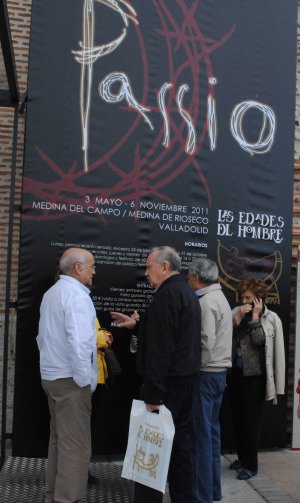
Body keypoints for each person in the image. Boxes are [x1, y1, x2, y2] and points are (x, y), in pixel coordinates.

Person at [111, 246, 202, 503]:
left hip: (167, 388)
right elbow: (175, 335)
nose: (146, 273)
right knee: (181, 450)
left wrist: (152, 394)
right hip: (185, 384)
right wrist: (138, 325)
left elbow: (162, 350)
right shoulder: (186, 293)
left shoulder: (166, 296)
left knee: (153, 451)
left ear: (164, 267)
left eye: (149, 267)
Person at [36, 247, 98, 503]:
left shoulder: (52, 293)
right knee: (75, 448)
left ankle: (55, 497)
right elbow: (80, 343)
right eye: (92, 266)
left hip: (51, 377)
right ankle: (66, 499)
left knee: (59, 441)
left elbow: (41, 338)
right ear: (78, 268)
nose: (95, 271)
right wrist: (86, 380)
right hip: (71, 381)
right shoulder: (76, 296)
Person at [227, 277, 285, 480]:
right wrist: (235, 322)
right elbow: (227, 343)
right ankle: (242, 458)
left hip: (256, 379)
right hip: (236, 375)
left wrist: (254, 318)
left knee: (251, 423)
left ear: (259, 299)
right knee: (237, 420)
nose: (244, 301)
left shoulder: (270, 318)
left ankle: (251, 465)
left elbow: (259, 341)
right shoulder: (236, 313)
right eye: (243, 297)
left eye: (248, 297)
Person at [187, 258, 232, 503]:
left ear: (195, 276)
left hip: (205, 374)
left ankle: (201, 496)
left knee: (201, 437)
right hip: (219, 375)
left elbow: (205, 342)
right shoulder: (220, 298)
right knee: (212, 434)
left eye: (188, 275)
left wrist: (191, 368)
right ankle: (213, 491)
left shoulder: (206, 302)